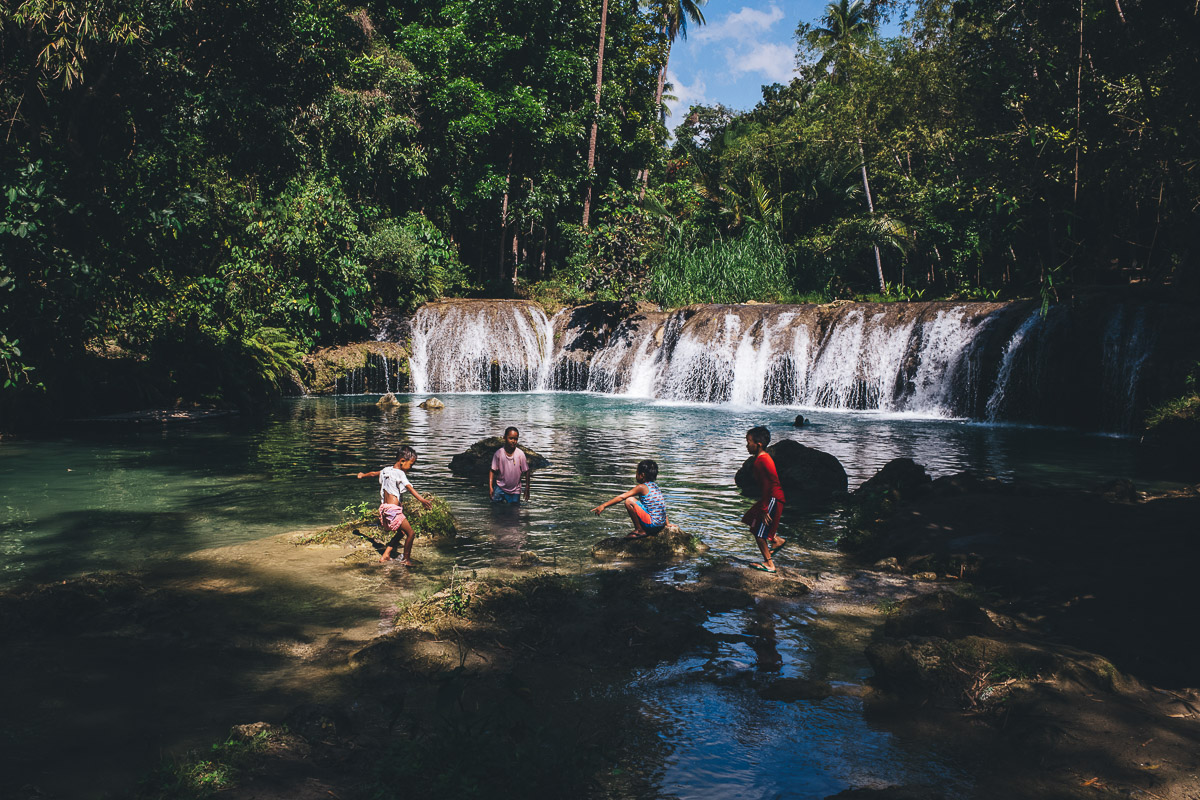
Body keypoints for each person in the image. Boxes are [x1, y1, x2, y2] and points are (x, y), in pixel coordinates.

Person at [356, 445, 433, 565]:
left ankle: (386, 555)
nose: (410, 468)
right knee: (411, 534)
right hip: (393, 510)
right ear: (402, 461)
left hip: (384, 509)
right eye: (410, 465)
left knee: (401, 532)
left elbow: (372, 474)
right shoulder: (400, 474)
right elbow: (409, 487)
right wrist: (422, 500)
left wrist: (362, 475)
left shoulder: (386, 470)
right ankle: (406, 560)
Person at [743, 426, 787, 573]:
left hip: (772, 498)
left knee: (759, 534)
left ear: (759, 444)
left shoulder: (761, 461)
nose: (747, 445)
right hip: (771, 497)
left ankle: (769, 564)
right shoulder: (762, 458)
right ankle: (776, 540)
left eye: (749, 442)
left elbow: (768, 486)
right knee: (750, 518)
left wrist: (764, 509)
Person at [591, 459, 668, 539]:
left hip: (652, 525)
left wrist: (604, 505)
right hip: (660, 525)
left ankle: (640, 530)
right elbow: (661, 507)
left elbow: (622, 497)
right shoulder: (656, 487)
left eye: (636, 472)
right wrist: (667, 524)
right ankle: (644, 529)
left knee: (629, 501)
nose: (636, 475)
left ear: (642, 475)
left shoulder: (641, 487)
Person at [489, 427, 531, 503]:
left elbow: (527, 471)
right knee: (496, 510)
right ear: (504, 438)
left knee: (514, 512)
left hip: (515, 490)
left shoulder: (520, 454)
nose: (513, 441)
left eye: (516, 439)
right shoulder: (498, 453)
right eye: (511, 438)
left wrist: (527, 488)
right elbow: (492, 471)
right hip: (500, 488)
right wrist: (491, 488)